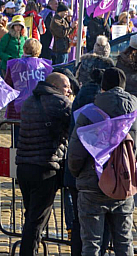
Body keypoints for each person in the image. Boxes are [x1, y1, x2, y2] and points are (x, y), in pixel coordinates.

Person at [68, 67, 137, 256]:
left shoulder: (90, 114)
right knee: (124, 241)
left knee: (92, 244)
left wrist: (77, 174)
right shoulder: (134, 115)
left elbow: (75, 153)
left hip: (92, 184)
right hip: (124, 184)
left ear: (103, 86)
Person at [16, 72, 73, 256]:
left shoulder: (29, 101)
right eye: (66, 86)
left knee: (31, 215)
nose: (69, 90)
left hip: (24, 166)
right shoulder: (60, 102)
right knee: (36, 220)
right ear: (55, 86)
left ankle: (31, 246)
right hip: (46, 168)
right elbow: (73, 124)